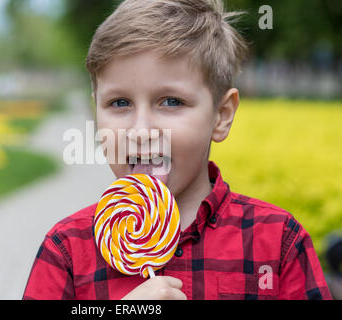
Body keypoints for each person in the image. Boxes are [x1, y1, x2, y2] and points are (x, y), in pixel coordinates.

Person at [23, 0, 332, 300]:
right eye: (120, 103)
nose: (141, 131)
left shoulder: (277, 243)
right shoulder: (67, 251)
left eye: (171, 102)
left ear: (221, 116)